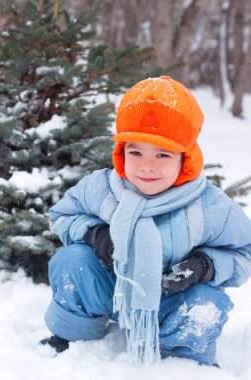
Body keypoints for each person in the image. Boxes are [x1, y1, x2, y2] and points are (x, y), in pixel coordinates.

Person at [40, 76, 251, 366]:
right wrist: (94, 234)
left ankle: (182, 360)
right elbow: (63, 215)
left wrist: (205, 266)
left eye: (162, 154)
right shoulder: (102, 189)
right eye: (135, 151)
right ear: (121, 152)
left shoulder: (210, 207)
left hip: (170, 299)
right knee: (72, 260)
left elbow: (244, 252)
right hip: (112, 290)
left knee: (206, 302)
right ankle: (75, 333)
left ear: (184, 158)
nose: (146, 165)